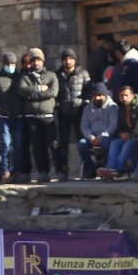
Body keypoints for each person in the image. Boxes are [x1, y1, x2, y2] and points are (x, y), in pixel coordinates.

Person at [16, 47, 59, 181]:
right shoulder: (25, 77)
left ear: (43, 61)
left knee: (53, 144)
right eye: (34, 60)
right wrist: (40, 89)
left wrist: (33, 95)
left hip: (48, 115)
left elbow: (53, 92)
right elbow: (22, 91)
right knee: (37, 146)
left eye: (38, 60)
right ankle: (43, 172)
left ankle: (60, 170)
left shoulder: (51, 75)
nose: (36, 63)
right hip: (32, 116)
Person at [55, 48, 92, 181]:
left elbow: (89, 90)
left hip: (79, 111)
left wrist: (84, 102)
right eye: (65, 59)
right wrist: (58, 105)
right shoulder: (58, 75)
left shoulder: (82, 73)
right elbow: (55, 92)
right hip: (63, 112)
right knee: (63, 142)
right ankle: (62, 170)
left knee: (82, 141)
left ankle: (88, 169)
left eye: (70, 58)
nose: (68, 61)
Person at [97, 85, 138, 179]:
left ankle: (117, 170)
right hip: (127, 136)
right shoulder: (121, 110)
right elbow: (118, 128)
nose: (124, 98)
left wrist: (132, 134)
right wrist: (120, 134)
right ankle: (110, 168)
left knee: (128, 144)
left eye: (126, 95)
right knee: (115, 143)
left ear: (132, 95)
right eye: (121, 96)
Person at [0, 52, 21, 182]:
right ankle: (5, 171)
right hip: (4, 116)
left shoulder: (19, 77)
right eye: (8, 64)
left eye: (12, 64)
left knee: (18, 145)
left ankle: (17, 170)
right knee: (5, 145)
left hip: (18, 115)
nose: (10, 66)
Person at [77, 82, 119, 179]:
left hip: (106, 137)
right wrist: (90, 136)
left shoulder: (113, 107)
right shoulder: (87, 108)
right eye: (95, 95)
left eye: (99, 95)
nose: (97, 98)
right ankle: (91, 170)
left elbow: (113, 125)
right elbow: (84, 125)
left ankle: (105, 168)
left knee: (106, 144)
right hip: (91, 137)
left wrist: (101, 137)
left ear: (105, 95)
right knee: (81, 144)